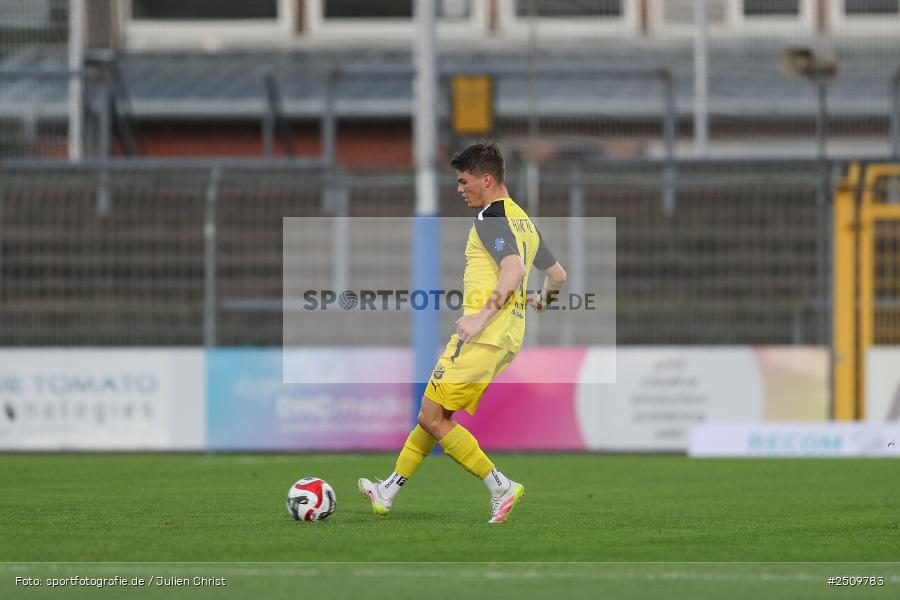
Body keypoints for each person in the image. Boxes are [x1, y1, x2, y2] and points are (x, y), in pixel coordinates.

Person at [358, 142, 567, 523]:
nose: (459, 189)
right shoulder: (523, 220)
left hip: (484, 334)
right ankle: (387, 490)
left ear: (486, 180)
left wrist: (479, 318)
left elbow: (514, 270)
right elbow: (557, 276)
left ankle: (500, 485)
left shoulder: (490, 218)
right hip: (504, 337)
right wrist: (542, 301)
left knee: (434, 418)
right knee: (431, 413)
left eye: (463, 180)